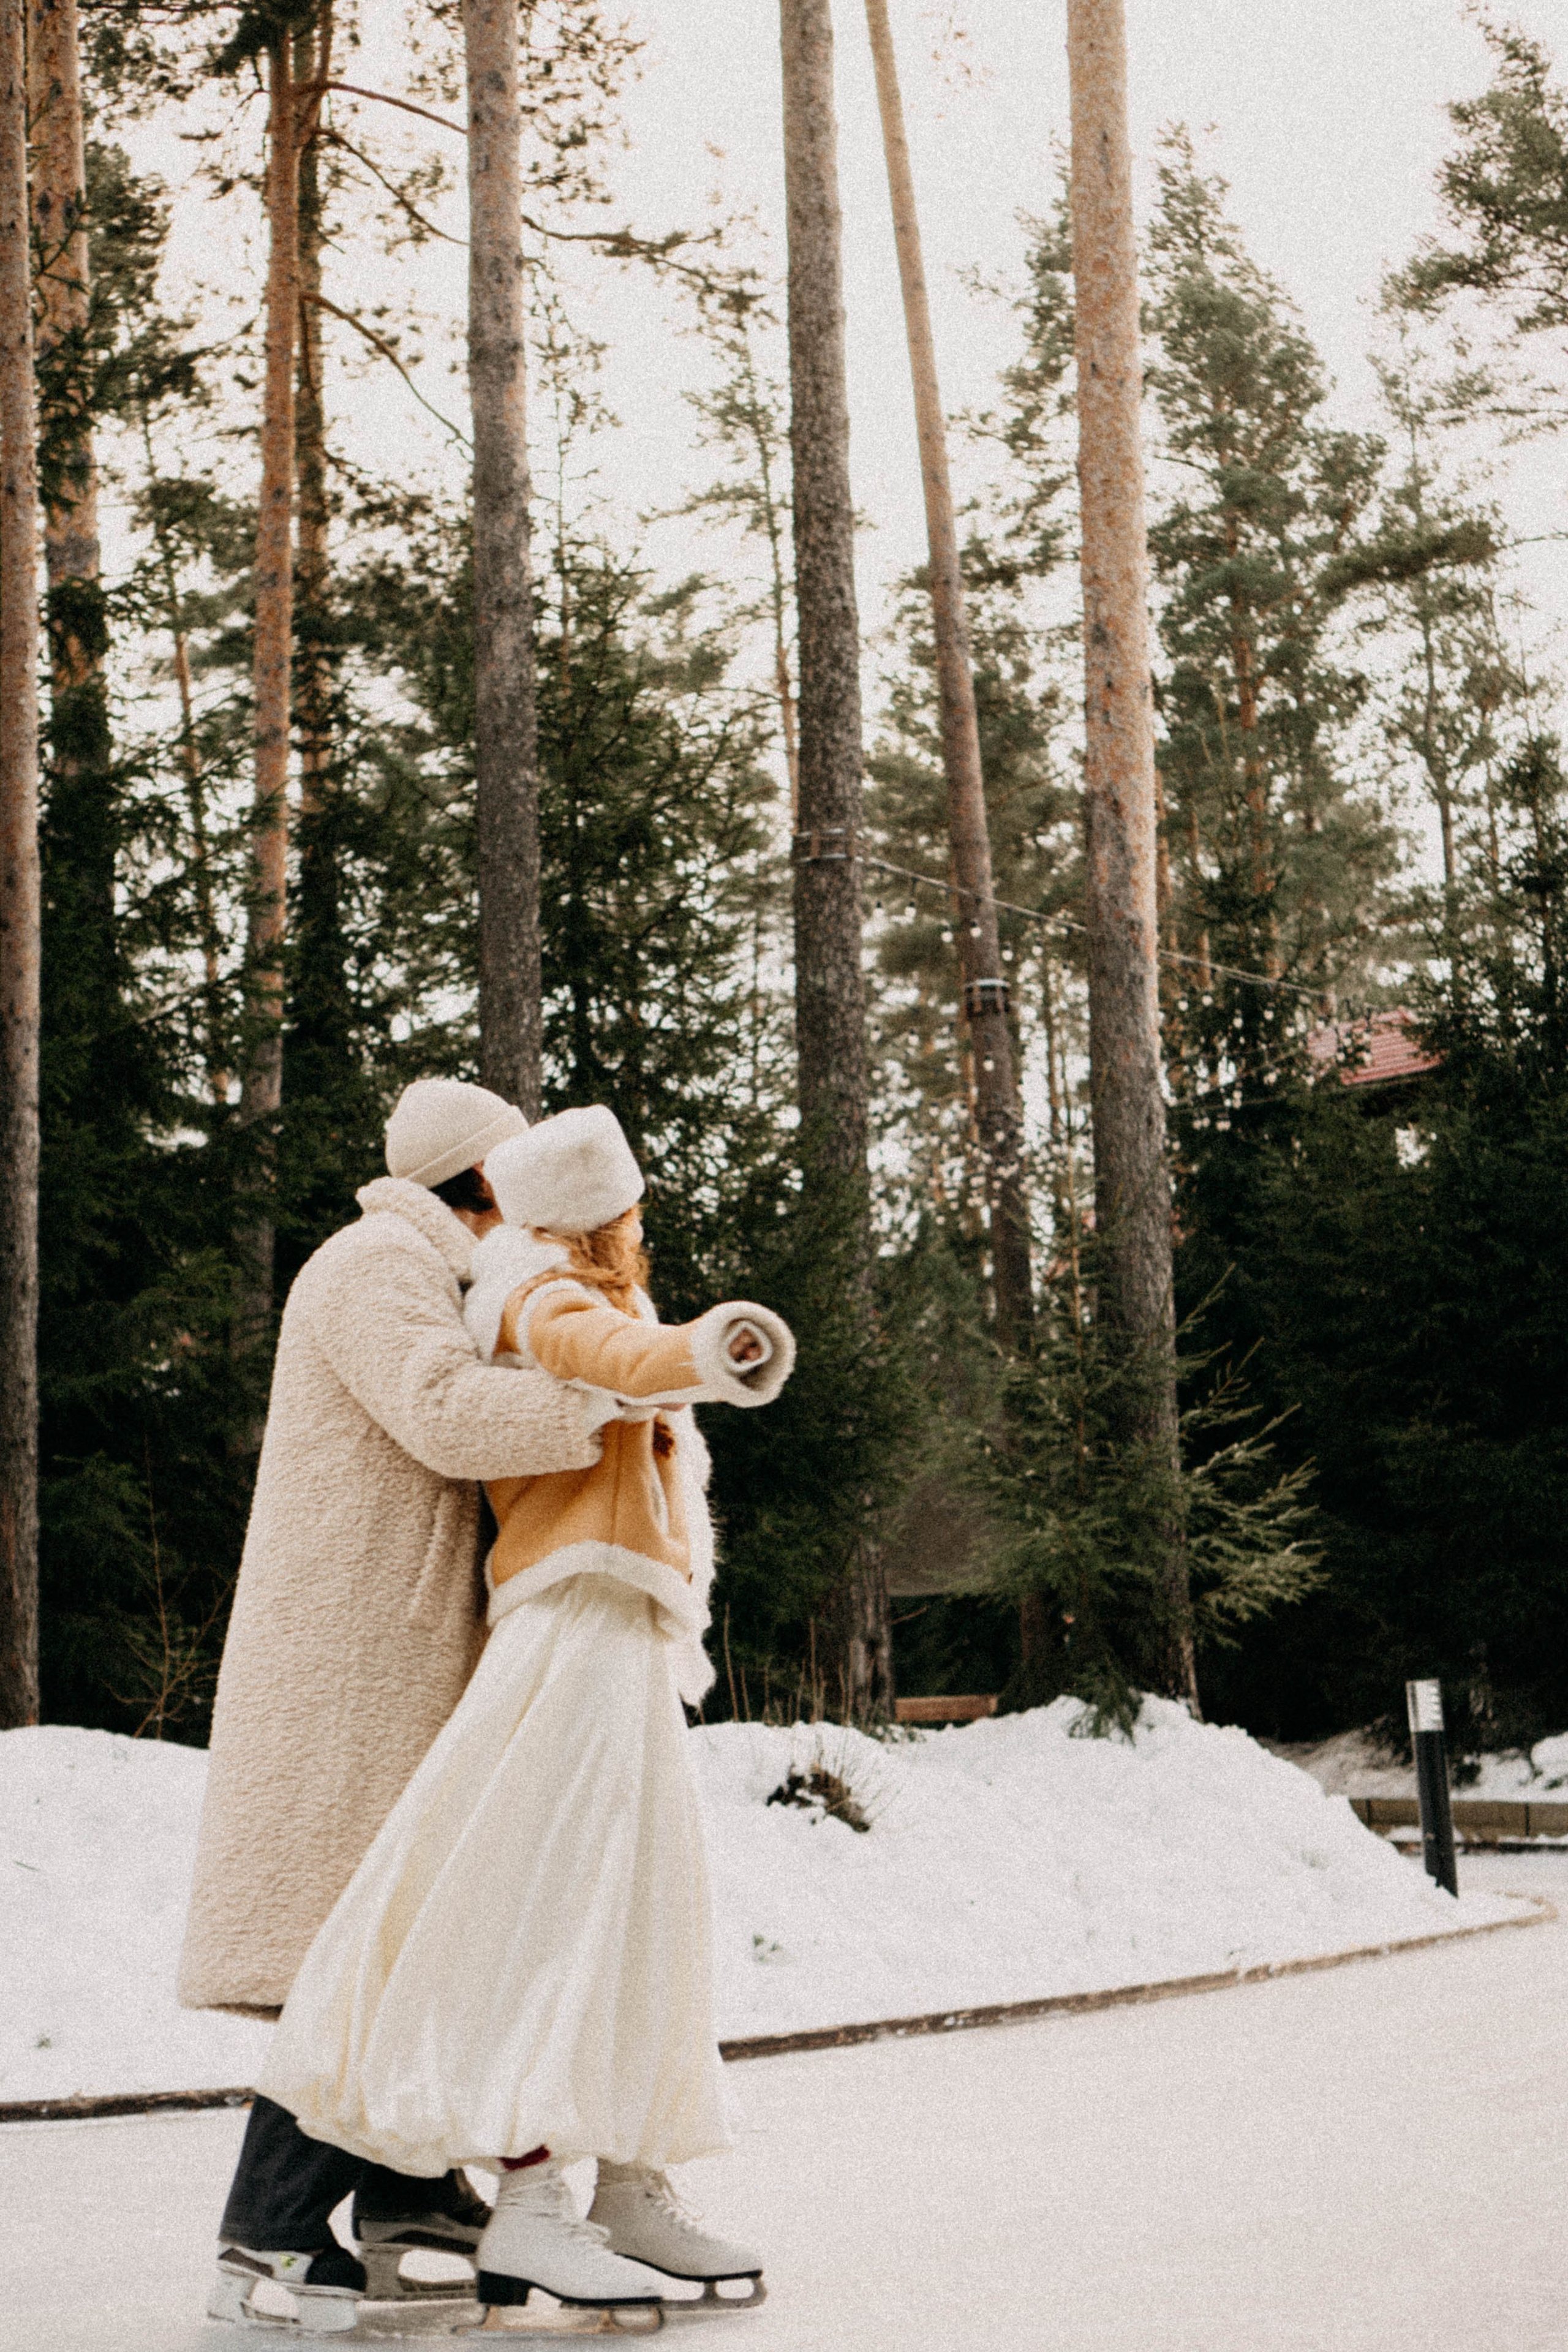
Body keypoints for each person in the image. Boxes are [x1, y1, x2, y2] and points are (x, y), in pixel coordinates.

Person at [242, 1105, 794, 2332]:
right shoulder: (470, 1273)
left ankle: (603, 2183)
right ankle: (335, 2230)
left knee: (621, 1897)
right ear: (494, 1188)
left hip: (547, 1619)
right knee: (494, 1904)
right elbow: (497, 1388)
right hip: (454, 1627)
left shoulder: (496, 1269)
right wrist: (700, 1356)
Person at [183, 1079, 623, 2324]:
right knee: (365, 1950)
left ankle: (402, 2197)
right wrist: (607, 1398)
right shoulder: (373, 1262)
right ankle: (261, 2240)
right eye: (517, 1180)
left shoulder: (435, 1266)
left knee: (408, 1934)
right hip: (351, 1663)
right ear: (479, 1180)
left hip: (398, 1650)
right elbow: (440, 1415)